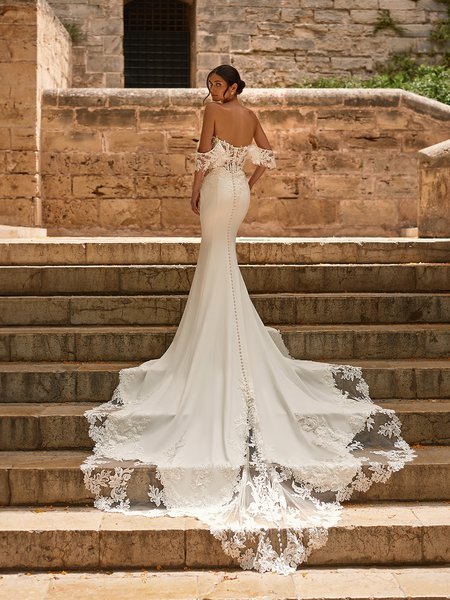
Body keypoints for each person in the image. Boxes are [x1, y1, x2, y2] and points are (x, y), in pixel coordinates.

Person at [81, 65, 415, 575]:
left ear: (232, 87)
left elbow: (201, 155)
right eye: (211, 84)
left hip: (219, 189)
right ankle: (228, 330)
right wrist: (246, 178)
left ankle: (216, 338)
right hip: (239, 191)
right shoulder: (250, 114)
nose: (212, 90)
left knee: (215, 259)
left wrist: (198, 188)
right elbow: (270, 155)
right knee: (225, 260)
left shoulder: (213, 113)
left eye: (219, 83)